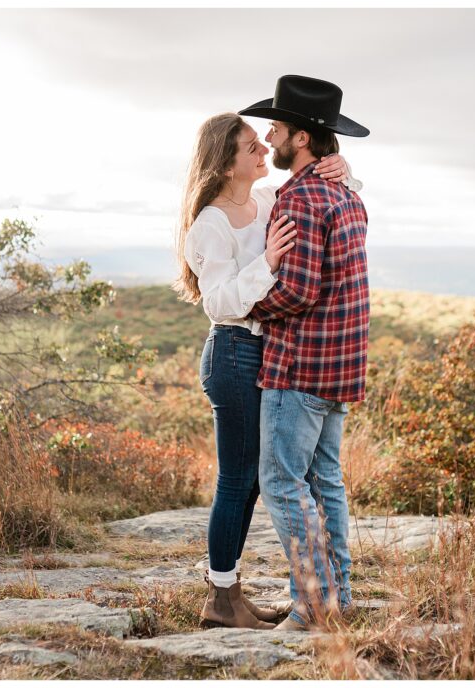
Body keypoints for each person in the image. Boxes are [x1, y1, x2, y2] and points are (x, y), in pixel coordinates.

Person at [173, 112, 361, 630]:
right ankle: (222, 597)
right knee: (239, 480)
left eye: (263, 142)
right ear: (225, 161)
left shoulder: (271, 199)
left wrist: (343, 167)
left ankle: (235, 593)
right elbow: (221, 301)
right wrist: (269, 265)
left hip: (267, 351)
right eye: (251, 146)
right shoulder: (210, 223)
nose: (262, 150)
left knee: (262, 479)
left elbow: (320, 195)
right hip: (233, 352)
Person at [237, 74, 371, 631]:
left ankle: (313, 607)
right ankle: (335, 597)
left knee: (282, 483)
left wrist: (244, 311)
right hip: (341, 366)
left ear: (304, 137)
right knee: (327, 482)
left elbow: (297, 290)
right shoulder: (346, 194)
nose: (269, 138)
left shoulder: (299, 196)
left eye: (277, 127)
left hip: (300, 367)